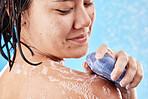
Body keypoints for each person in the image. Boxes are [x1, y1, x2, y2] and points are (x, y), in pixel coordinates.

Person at [0, 0, 143, 98]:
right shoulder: (91, 92)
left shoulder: (4, 80)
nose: (85, 21)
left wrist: (125, 91)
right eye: (65, 10)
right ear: (15, 11)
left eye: (87, 3)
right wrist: (118, 93)